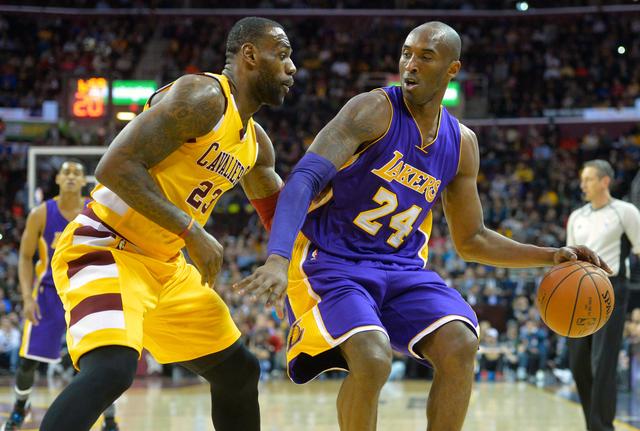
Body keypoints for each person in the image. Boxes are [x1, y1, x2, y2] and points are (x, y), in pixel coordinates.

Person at [235, 21, 609, 431]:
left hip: (401, 270)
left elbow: (472, 239)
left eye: (425, 57)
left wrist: (551, 256)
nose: (410, 65)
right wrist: (276, 257)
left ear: (452, 69)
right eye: (406, 54)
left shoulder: (462, 143)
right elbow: (303, 179)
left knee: (460, 343)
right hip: (332, 262)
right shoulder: (373, 109)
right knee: (373, 356)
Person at [39, 16, 296, 431]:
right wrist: (191, 231)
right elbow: (114, 166)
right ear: (249, 55)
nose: (292, 67)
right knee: (112, 369)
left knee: (239, 373)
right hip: (107, 247)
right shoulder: (203, 95)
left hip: (166, 267)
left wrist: (300, 261)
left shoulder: (255, 144)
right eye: (282, 54)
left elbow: (279, 215)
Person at [2, 160, 120, 431]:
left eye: (76, 173)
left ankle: (110, 418)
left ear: (83, 181)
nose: (70, 176)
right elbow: (24, 257)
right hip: (47, 294)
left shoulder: (96, 211)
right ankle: (21, 408)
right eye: (65, 172)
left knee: (100, 358)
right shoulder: (41, 213)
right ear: (57, 179)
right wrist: (27, 297)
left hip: (87, 293)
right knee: (27, 362)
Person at [566, 160, 640, 431]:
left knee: (603, 363)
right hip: (578, 292)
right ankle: (592, 424)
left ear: (604, 181)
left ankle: (602, 427)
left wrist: (637, 306)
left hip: (611, 290)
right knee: (578, 363)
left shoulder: (625, 212)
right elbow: (569, 260)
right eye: (582, 179)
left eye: (588, 179)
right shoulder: (577, 217)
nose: (583, 184)